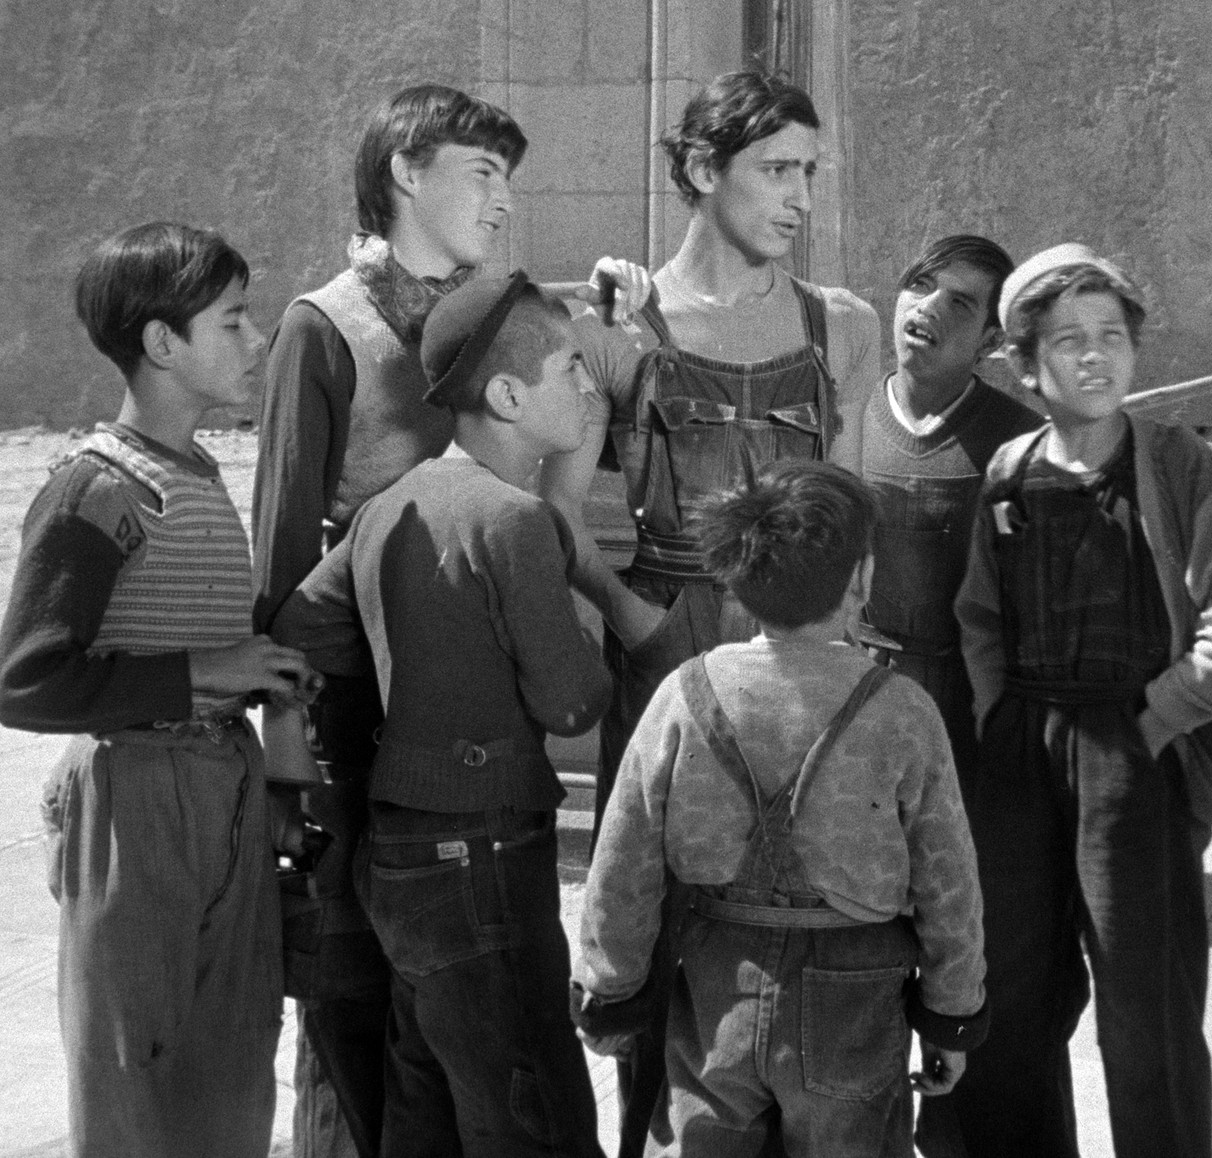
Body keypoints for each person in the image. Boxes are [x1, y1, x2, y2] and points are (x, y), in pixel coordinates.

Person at [249, 83, 646, 1157]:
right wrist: (287, 757)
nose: (504, 200)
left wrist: (621, 318)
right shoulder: (323, 327)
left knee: (453, 1040)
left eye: (509, 178)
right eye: (482, 173)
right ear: (404, 173)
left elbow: (571, 400)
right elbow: (282, 571)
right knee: (355, 1024)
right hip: (350, 718)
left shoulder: (489, 317)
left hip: (464, 726)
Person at [537, 69, 880, 1154]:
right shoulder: (615, 330)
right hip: (668, 659)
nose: (800, 198)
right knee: (654, 932)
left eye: (809, 172)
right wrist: (641, 627)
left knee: (811, 927)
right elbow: (556, 518)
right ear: (699, 168)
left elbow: (850, 516)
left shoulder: (841, 327)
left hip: (804, 666)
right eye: (776, 170)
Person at [952, 244, 1212, 1157]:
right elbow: (981, 617)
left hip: (1133, 755)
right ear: (1026, 365)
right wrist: (998, 719)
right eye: (1069, 341)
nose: (1096, 356)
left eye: (1112, 336)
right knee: (1006, 989)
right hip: (1023, 751)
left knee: (1147, 1008)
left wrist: (1156, 720)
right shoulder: (1010, 471)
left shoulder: (1176, 464)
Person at [0, 222, 318, 1157]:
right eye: (232, 320)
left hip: (224, 786)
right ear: (162, 343)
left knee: (232, 1062)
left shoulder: (198, 475)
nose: (256, 338)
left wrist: (260, 684)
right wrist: (211, 671)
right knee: (133, 1074)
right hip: (137, 798)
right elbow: (26, 680)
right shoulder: (98, 487)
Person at [573, 461, 987, 1156]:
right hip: (856, 993)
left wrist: (609, 992)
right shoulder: (903, 712)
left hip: (714, 987)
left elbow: (625, 858)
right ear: (861, 580)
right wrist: (952, 1016)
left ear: (736, 578)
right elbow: (949, 880)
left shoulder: (684, 695)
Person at [855, 233, 1042, 780]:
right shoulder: (844, 413)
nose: (928, 307)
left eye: (960, 303)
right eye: (920, 285)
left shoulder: (1020, 441)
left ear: (991, 340)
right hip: (854, 690)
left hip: (968, 705)